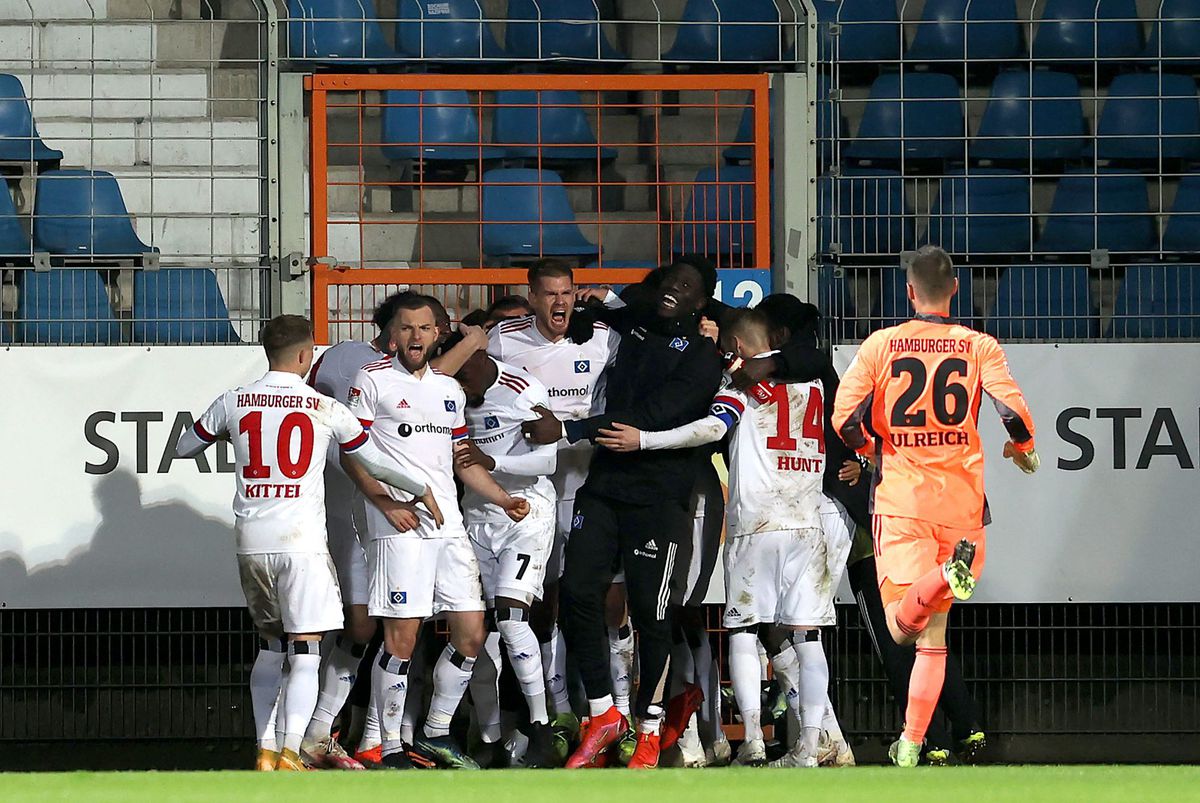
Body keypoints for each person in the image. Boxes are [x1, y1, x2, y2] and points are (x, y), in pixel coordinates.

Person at [174, 315, 439, 772]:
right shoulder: (324, 408)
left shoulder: (235, 400)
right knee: (305, 648)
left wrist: (224, 432)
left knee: (271, 645)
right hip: (302, 544)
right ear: (305, 355)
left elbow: (183, 447)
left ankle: (263, 747)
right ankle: (291, 751)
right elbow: (372, 461)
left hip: (252, 542)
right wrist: (420, 489)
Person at [596, 307, 837, 768]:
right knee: (808, 637)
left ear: (740, 348)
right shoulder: (815, 385)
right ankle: (810, 744)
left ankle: (752, 740)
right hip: (808, 523)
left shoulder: (742, 388)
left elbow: (711, 428)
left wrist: (646, 440)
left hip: (756, 525)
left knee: (744, 631)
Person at [832, 245, 1039, 768]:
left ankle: (944, 575)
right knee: (934, 637)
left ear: (908, 291)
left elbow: (845, 418)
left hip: (902, 501)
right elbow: (1011, 411)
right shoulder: (978, 346)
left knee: (901, 626)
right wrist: (1024, 448)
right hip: (962, 506)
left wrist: (872, 449)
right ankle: (911, 742)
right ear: (954, 290)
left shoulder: (881, 345)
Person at [523, 258, 723, 770]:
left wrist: (571, 430)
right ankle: (602, 714)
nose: (672, 290)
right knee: (579, 593)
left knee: (654, 614)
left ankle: (652, 728)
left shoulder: (705, 354)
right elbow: (593, 316)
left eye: (686, 286)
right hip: (605, 486)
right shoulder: (631, 322)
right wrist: (594, 305)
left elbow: (655, 417)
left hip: (660, 499)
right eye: (667, 280)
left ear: (702, 302)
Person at [348, 295, 530, 770]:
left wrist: (502, 498)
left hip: (447, 525)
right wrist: (386, 504)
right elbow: (352, 452)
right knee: (401, 639)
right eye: (406, 328)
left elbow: (460, 460)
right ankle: (389, 746)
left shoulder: (448, 390)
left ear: (436, 334)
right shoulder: (372, 380)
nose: (415, 337)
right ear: (394, 334)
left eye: (424, 328)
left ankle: (433, 732)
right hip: (400, 527)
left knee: (472, 633)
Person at [488, 259, 621, 740]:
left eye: (567, 292)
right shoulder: (505, 339)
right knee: (539, 604)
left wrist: (611, 299)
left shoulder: (604, 336)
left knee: (599, 598)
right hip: (531, 490)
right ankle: (556, 708)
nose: (559, 302)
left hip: (593, 484)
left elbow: (648, 333)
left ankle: (611, 710)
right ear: (532, 296)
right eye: (549, 294)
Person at [449, 336, 560, 767]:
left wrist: (493, 463)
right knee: (478, 635)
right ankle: (490, 737)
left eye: (464, 372)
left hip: (526, 514)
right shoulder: (449, 396)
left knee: (513, 621)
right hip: (475, 520)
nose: (460, 383)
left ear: (479, 356)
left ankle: (541, 728)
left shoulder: (521, 388)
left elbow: (546, 462)